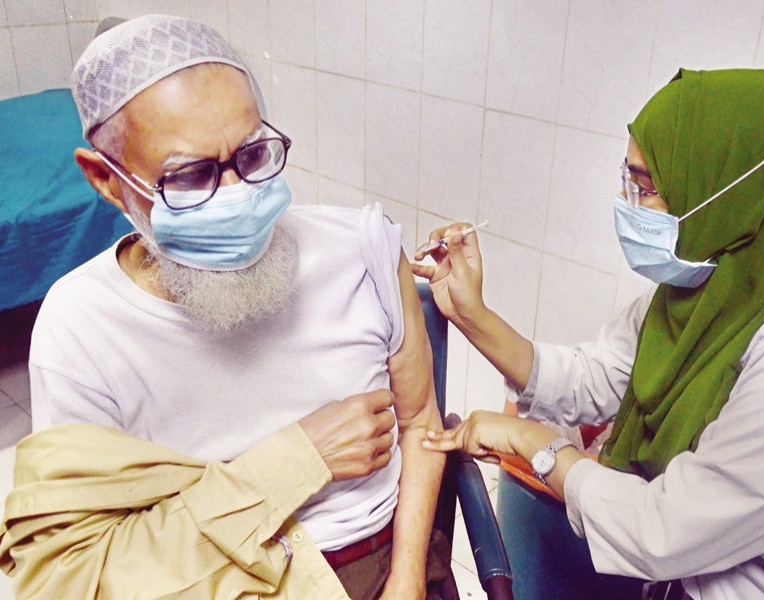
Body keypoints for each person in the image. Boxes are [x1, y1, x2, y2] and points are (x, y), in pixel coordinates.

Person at [0, 14, 454, 600]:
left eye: (252, 155)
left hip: (377, 565)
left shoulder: (361, 252)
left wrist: (408, 577)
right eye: (189, 176)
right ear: (107, 181)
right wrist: (295, 461)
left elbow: (420, 424)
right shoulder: (82, 329)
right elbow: (77, 572)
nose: (238, 195)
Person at [414, 68, 764, 599]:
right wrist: (469, 312)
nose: (631, 207)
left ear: (730, 189)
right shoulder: (716, 291)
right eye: (630, 181)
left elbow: (662, 530)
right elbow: (598, 376)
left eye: (647, 188)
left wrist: (535, 445)